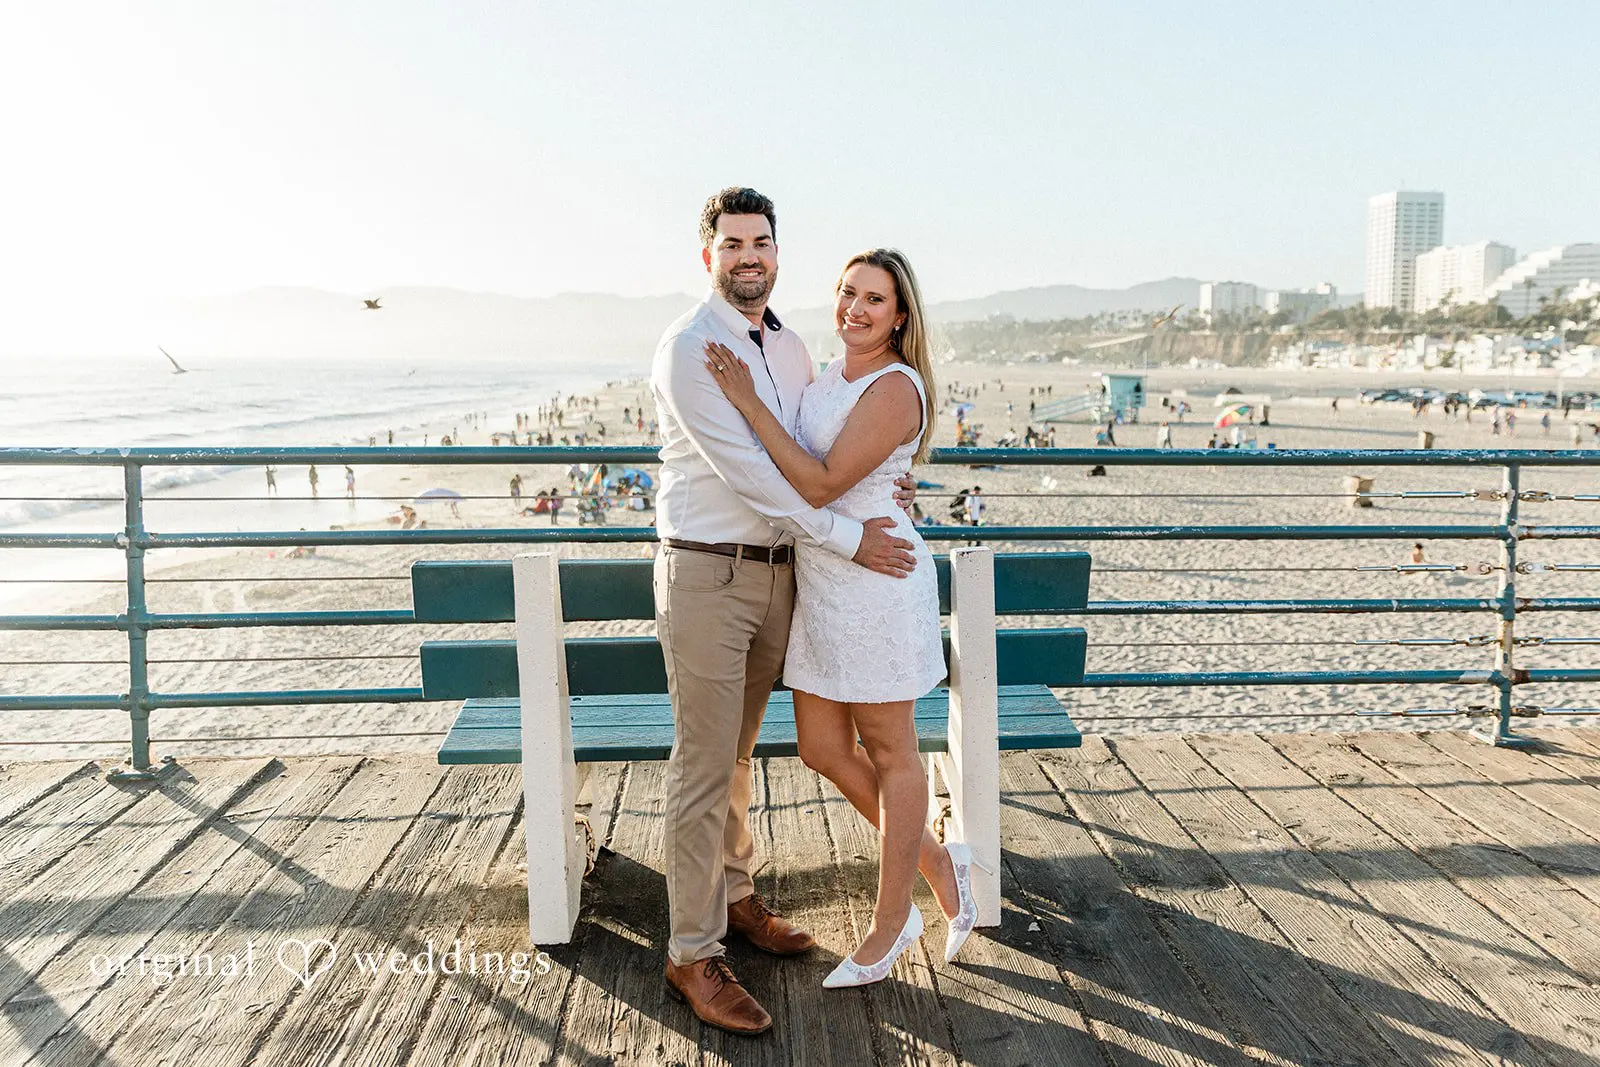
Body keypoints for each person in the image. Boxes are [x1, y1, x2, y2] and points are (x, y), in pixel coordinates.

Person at [651, 190, 924, 1034]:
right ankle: (692, 954)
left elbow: (825, 452)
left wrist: (891, 480)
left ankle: (735, 899)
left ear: (776, 252)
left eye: (761, 242)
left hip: (781, 578)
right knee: (702, 764)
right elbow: (758, 476)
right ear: (708, 257)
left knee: (734, 757)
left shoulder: (795, 348)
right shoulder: (690, 349)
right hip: (708, 572)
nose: (748, 257)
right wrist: (849, 534)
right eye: (732, 244)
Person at [704, 244, 979, 999]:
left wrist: (747, 400)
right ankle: (939, 862)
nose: (855, 309)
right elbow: (818, 462)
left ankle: (893, 924)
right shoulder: (832, 376)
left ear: (900, 316)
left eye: (874, 299)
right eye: (848, 292)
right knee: (824, 746)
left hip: (878, 578)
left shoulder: (898, 386)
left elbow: (821, 478)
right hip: (825, 580)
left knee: (893, 751)